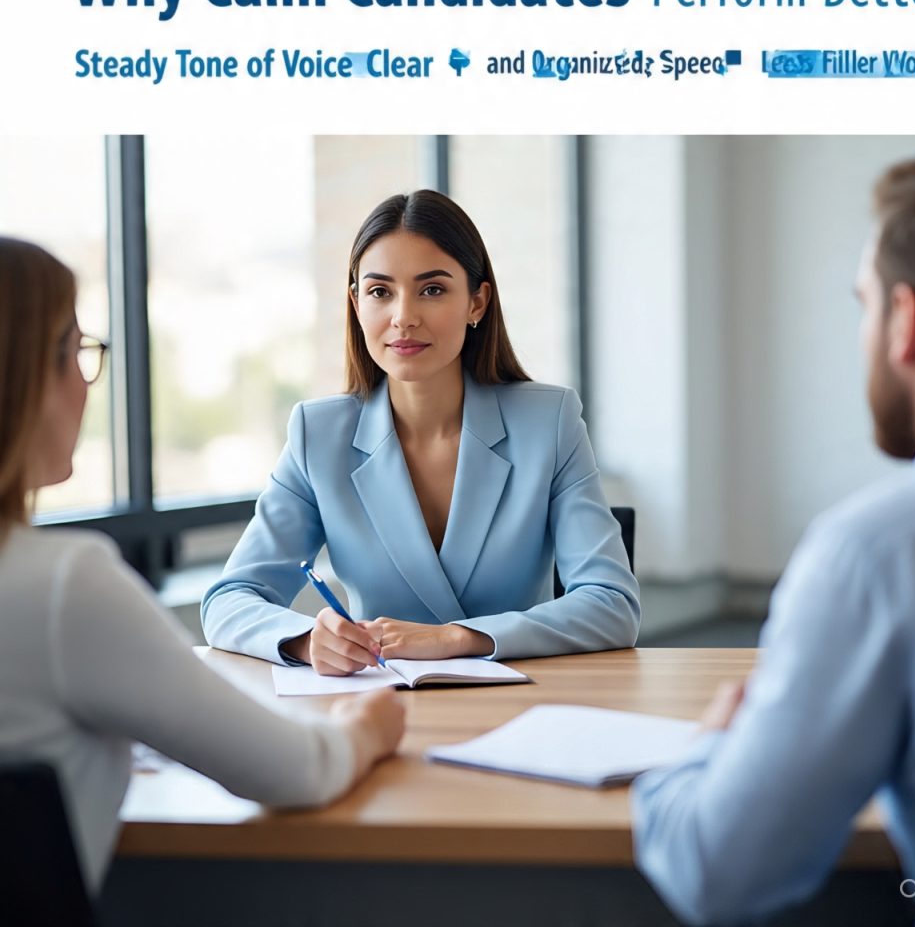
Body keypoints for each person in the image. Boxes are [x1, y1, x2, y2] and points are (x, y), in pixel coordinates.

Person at [631, 148, 915, 927]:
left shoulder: (879, 555)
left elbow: (720, 872)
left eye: (864, 304)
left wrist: (707, 748)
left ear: (907, 322)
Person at [0, 237, 405, 893]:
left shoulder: (547, 423)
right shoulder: (63, 587)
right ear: (23, 375)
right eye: (75, 351)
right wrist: (364, 728)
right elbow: (294, 769)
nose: (85, 381)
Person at [202, 190, 640, 675]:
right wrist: (307, 641)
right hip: (374, 706)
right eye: (379, 291)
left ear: (477, 302)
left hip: (518, 703)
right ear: (356, 303)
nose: (403, 316)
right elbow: (228, 600)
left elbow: (612, 603)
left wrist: (459, 639)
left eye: (431, 289)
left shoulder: (548, 422)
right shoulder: (317, 435)